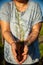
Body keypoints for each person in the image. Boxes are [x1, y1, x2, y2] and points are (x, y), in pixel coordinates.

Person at [0, 0, 43, 65]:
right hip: (10, 59)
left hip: (32, 59)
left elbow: (36, 30)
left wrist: (27, 43)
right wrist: (13, 43)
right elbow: (6, 30)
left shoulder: (35, 6)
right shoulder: (6, 7)